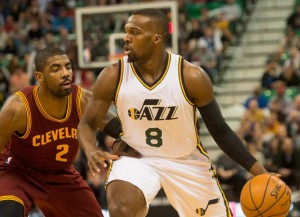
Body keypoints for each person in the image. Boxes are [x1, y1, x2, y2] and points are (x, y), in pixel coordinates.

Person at [77, 9, 270, 217]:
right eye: (126, 31)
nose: (126, 37)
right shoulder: (112, 75)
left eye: (135, 32)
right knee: (122, 208)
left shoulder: (191, 76)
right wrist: (90, 150)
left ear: (156, 39)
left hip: (185, 159)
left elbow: (220, 130)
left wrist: (261, 173)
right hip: (138, 158)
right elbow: (87, 123)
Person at [0, 46, 136, 217]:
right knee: (9, 212)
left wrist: (131, 141)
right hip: (18, 173)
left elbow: (119, 128)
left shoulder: (81, 100)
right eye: (56, 69)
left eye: (68, 67)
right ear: (39, 77)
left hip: (60, 174)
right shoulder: (18, 108)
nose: (65, 73)